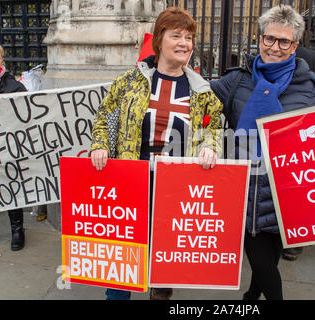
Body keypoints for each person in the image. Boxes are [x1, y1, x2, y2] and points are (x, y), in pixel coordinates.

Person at [211, 5, 315, 300]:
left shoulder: (311, 88)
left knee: (270, 261)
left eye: (283, 41)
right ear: (259, 38)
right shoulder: (236, 81)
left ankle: (250, 298)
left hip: (290, 195)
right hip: (247, 192)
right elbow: (196, 99)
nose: (274, 47)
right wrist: (162, 62)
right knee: (263, 264)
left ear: (295, 46)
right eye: (269, 39)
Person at [90, 7, 223, 300]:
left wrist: (209, 147)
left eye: (189, 37)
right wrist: (99, 143)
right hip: (132, 174)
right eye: (176, 35)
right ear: (160, 39)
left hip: (175, 181)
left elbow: (212, 127)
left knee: (166, 250)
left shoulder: (201, 90)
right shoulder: (130, 81)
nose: (184, 43)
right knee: (124, 249)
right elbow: (104, 117)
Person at [282, 44, 315, 261]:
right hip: (304, 136)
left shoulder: (269, 57)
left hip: (287, 134)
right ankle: (294, 243)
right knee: (299, 190)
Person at [0, 40, 27, 251]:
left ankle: (17, 230)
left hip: (8, 148)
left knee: (12, 186)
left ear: (2, 60)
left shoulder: (14, 86)